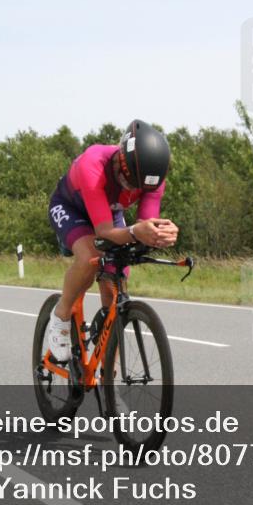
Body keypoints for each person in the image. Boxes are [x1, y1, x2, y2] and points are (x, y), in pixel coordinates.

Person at [45, 120, 179, 362]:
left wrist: (159, 235)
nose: (130, 190)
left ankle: (110, 376)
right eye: (127, 183)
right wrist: (138, 232)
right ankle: (61, 315)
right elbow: (105, 231)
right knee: (91, 258)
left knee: (114, 285)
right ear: (119, 161)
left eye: (136, 187)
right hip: (71, 208)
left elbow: (143, 227)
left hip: (108, 211)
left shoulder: (152, 180)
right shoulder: (93, 164)